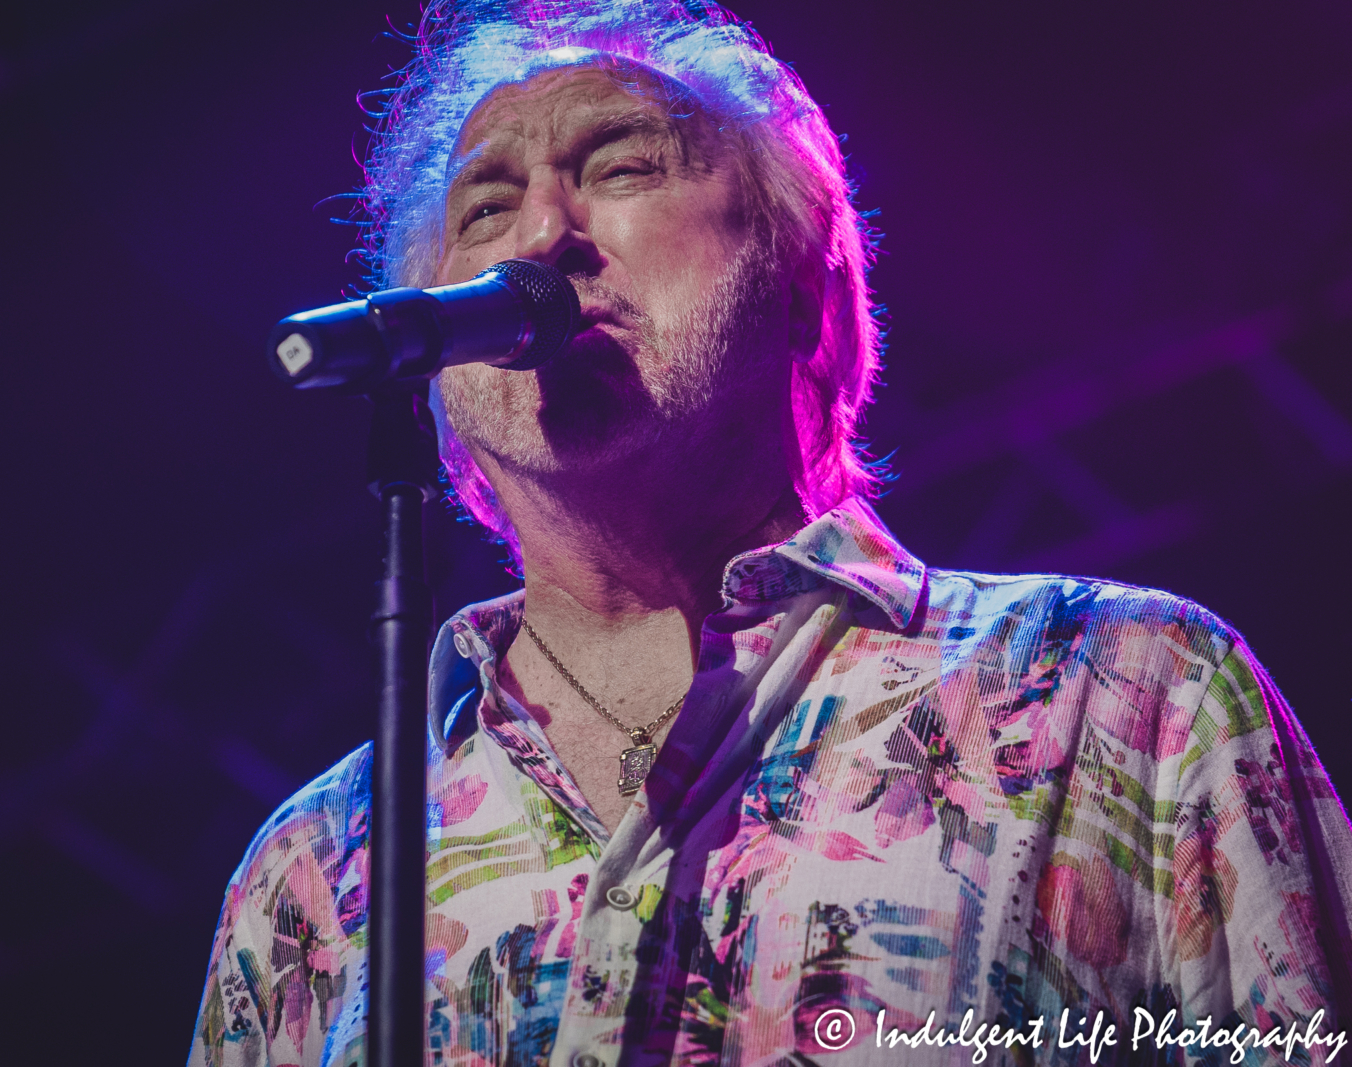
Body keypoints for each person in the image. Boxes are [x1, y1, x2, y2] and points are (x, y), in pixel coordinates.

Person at [188, 1, 1352, 1063]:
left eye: (624, 166)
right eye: (485, 208)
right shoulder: (313, 872)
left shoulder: (1118, 689)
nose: (541, 237)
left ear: (806, 284)